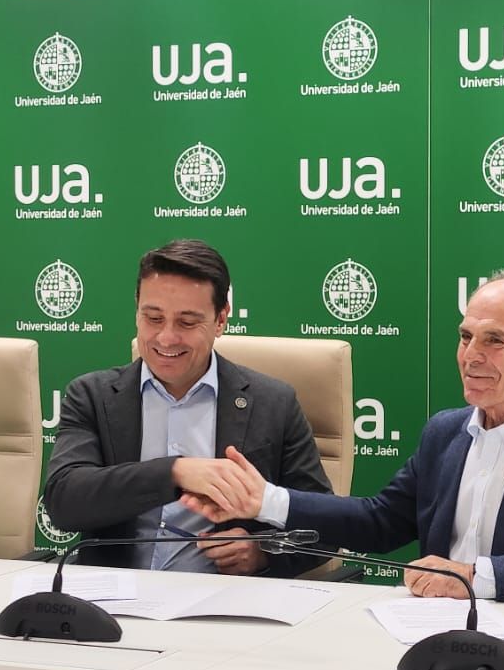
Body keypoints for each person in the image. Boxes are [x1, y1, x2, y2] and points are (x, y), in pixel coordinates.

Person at [184, 270, 504, 603]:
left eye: (494, 341)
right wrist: (265, 500)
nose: (470, 356)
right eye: (465, 337)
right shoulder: (445, 433)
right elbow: (378, 522)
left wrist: (469, 577)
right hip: (432, 638)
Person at [42, 239, 332, 577]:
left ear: (220, 319)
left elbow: (325, 527)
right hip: (114, 595)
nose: (166, 338)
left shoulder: (273, 403)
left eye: (187, 322)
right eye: (153, 318)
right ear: (137, 311)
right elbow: (63, 502)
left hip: (223, 598)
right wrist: (174, 472)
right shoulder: (93, 395)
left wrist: (263, 552)